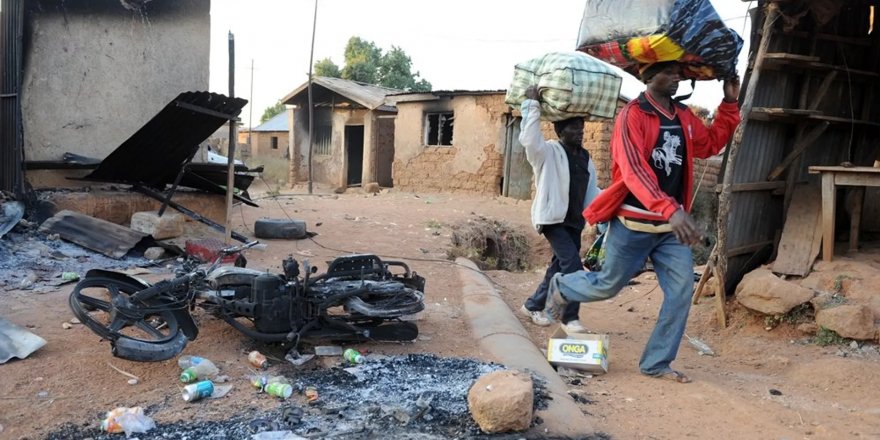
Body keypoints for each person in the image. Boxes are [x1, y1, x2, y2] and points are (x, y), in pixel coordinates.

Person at [544, 61, 741, 383]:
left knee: (679, 294)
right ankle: (562, 285)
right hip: (634, 223)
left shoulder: (683, 116)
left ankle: (656, 363)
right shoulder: (631, 116)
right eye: (668, 71)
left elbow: (709, 144)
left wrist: (729, 103)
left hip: (669, 230)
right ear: (648, 77)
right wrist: (670, 209)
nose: (676, 77)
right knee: (608, 285)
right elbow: (634, 170)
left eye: (680, 72)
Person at [518, 85, 603, 333]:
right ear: (559, 130)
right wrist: (532, 105)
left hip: (575, 221)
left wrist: (612, 203)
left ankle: (532, 305)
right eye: (573, 127)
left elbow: (593, 191)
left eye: (581, 127)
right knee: (573, 267)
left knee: (557, 267)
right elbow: (529, 140)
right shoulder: (547, 152)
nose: (579, 131)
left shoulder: (586, 158)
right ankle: (570, 318)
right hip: (553, 220)